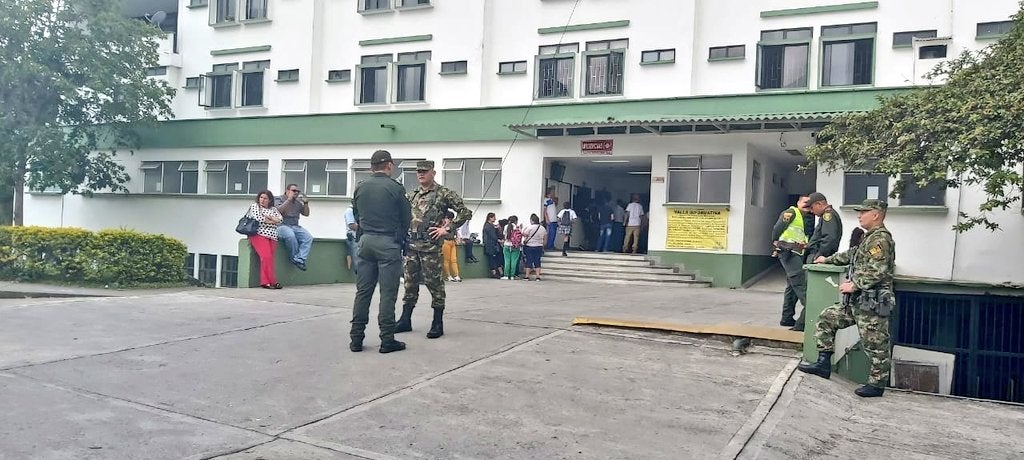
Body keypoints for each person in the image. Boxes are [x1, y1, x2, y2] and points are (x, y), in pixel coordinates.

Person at [799, 199, 896, 398]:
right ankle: (823, 364)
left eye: (863, 212)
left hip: (872, 303)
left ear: (876, 215)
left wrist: (854, 285)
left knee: (876, 345)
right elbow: (852, 254)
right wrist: (827, 259)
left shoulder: (881, 239)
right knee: (827, 318)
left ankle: (876, 385)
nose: (859, 216)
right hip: (857, 302)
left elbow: (877, 270)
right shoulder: (869, 238)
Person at [396, 160, 472, 339]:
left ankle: (437, 323)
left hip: (430, 248)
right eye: (418, 171)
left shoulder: (443, 193)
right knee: (409, 284)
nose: (421, 174)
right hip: (411, 247)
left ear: (433, 173)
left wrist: (447, 228)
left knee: (435, 285)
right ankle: (405, 320)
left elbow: (465, 212)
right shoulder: (412, 195)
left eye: (424, 171)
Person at [349, 150, 412, 354]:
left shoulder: (360, 187)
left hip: (365, 241)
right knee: (388, 293)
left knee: (363, 292)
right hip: (388, 243)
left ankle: (356, 339)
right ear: (389, 165)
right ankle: (387, 339)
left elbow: (356, 214)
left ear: (371, 167)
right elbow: (406, 218)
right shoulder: (395, 188)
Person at [791, 192, 844, 331]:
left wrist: (820, 255)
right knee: (811, 293)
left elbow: (829, 238)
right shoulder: (826, 215)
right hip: (816, 255)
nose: (811, 211)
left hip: (818, 257)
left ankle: (801, 325)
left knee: (811, 293)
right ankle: (801, 324)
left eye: (812, 208)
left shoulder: (828, 216)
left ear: (819, 204)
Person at [773, 195, 811, 328]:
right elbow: (777, 228)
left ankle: (787, 317)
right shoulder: (791, 212)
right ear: (798, 202)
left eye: (809, 203)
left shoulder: (805, 218)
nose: (807, 205)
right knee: (800, 283)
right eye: (805, 202)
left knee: (792, 286)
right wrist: (775, 243)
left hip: (796, 253)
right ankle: (810, 316)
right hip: (788, 252)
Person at [247, 190, 284, 289]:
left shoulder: (273, 209)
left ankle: (268, 282)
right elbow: (259, 218)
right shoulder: (255, 206)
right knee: (266, 257)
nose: (262, 200)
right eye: (261, 197)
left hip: (273, 236)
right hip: (259, 234)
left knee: (270, 259)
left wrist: (268, 217)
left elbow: (280, 219)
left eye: (265, 198)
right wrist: (272, 220)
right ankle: (271, 281)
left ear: (270, 200)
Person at [275, 184, 313, 271]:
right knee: (290, 235)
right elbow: (278, 211)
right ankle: (294, 258)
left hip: (295, 226)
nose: (296, 193)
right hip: (282, 225)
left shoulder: (297, 202)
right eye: (294, 191)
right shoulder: (279, 199)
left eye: (297, 191)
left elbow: (306, 214)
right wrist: (288, 200)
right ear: (287, 191)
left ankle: (300, 259)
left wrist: (306, 203)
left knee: (308, 237)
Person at [522, 213, 547, 281]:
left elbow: (525, 234)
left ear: (532, 220)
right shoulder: (542, 228)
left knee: (529, 261)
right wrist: (543, 245)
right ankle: (538, 276)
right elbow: (545, 238)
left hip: (529, 246)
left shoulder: (530, 227)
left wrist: (523, 229)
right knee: (537, 261)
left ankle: (527, 276)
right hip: (539, 246)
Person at [441, 211, 462, 282]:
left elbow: (456, 233)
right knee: (446, 260)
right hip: (445, 241)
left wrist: (457, 239)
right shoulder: (442, 224)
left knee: (454, 259)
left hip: (452, 242)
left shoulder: (453, 225)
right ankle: (448, 275)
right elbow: (441, 231)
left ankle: (456, 275)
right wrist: (446, 224)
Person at [482, 212, 503, 278]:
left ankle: (498, 272)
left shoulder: (489, 225)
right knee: (492, 259)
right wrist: (499, 240)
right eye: (494, 217)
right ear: (490, 218)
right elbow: (493, 236)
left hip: (491, 245)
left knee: (495, 259)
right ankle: (496, 273)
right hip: (491, 245)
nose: (495, 219)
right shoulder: (488, 226)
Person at [344, 205, 359, 275]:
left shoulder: (358, 211)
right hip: (353, 237)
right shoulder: (350, 211)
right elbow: (351, 225)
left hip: (359, 237)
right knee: (356, 257)